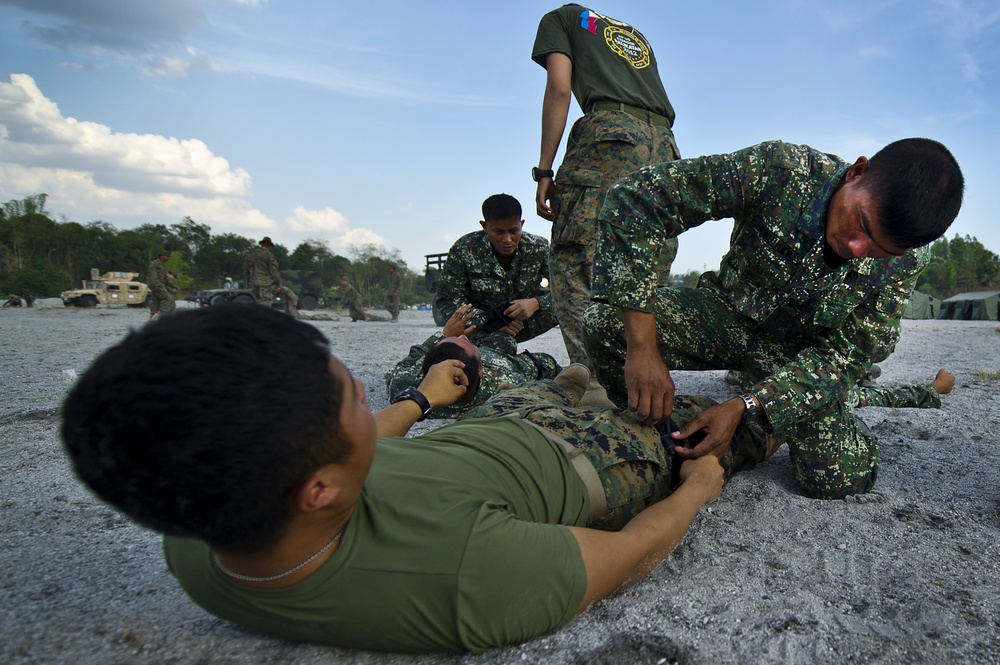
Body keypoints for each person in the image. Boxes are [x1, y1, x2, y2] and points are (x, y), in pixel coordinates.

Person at [61, 305, 770, 653]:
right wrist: (699, 486)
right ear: (320, 490)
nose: (364, 392)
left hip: (487, 425)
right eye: (351, 399)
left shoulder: (193, 523)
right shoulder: (465, 578)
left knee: (511, 367)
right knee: (737, 425)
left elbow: (359, 448)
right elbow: (631, 553)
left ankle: (563, 381)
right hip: (592, 459)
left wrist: (424, 398)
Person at [584, 138, 964, 499]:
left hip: (794, 361)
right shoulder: (782, 170)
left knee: (837, 478)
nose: (857, 248)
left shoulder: (908, 261)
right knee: (604, 323)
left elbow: (844, 357)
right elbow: (636, 199)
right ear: (856, 173)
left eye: (882, 249)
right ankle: (652, 425)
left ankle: (778, 420)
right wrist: (643, 347)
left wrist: (745, 405)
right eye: (862, 224)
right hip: (723, 316)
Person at [531, 4, 681, 382]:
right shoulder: (635, 35)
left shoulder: (561, 18)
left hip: (611, 135)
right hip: (666, 144)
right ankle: (644, 372)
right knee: (647, 262)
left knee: (574, 256)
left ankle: (595, 376)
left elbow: (560, 87)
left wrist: (545, 170)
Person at [384, 303, 562, 419]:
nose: (463, 336)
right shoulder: (507, 380)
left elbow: (409, 360)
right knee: (506, 341)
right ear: (480, 370)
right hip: (499, 359)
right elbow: (542, 364)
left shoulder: (405, 387)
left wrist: (443, 335)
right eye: (467, 343)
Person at [434, 193, 558, 349]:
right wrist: (491, 322)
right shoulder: (465, 249)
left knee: (574, 309)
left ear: (522, 224)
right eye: (498, 232)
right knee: (502, 345)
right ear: (485, 226)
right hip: (484, 327)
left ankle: (584, 364)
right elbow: (447, 300)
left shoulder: (538, 248)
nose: (507, 239)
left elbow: (567, 290)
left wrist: (536, 303)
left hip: (523, 321)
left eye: (514, 231)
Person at [243, 237, 282, 306]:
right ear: (269, 246)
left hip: (253, 282)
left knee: (256, 303)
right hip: (265, 283)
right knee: (266, 303)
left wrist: (247, 282)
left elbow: (246, 270)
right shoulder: (268, 256)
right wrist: (278, 284)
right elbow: (273, 271)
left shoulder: (250, 255)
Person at [147, 252, 175, 317]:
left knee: (156, 301)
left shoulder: (162, 265)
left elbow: (165, 278)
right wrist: (155, 285)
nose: (168, 258)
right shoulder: (154, 264)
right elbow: (153, 275)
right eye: (167, 256)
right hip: (158, 285)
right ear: (162, 256)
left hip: (159, 285)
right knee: (167, 298)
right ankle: (162, 316)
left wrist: (173, 286)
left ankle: (153, 318)